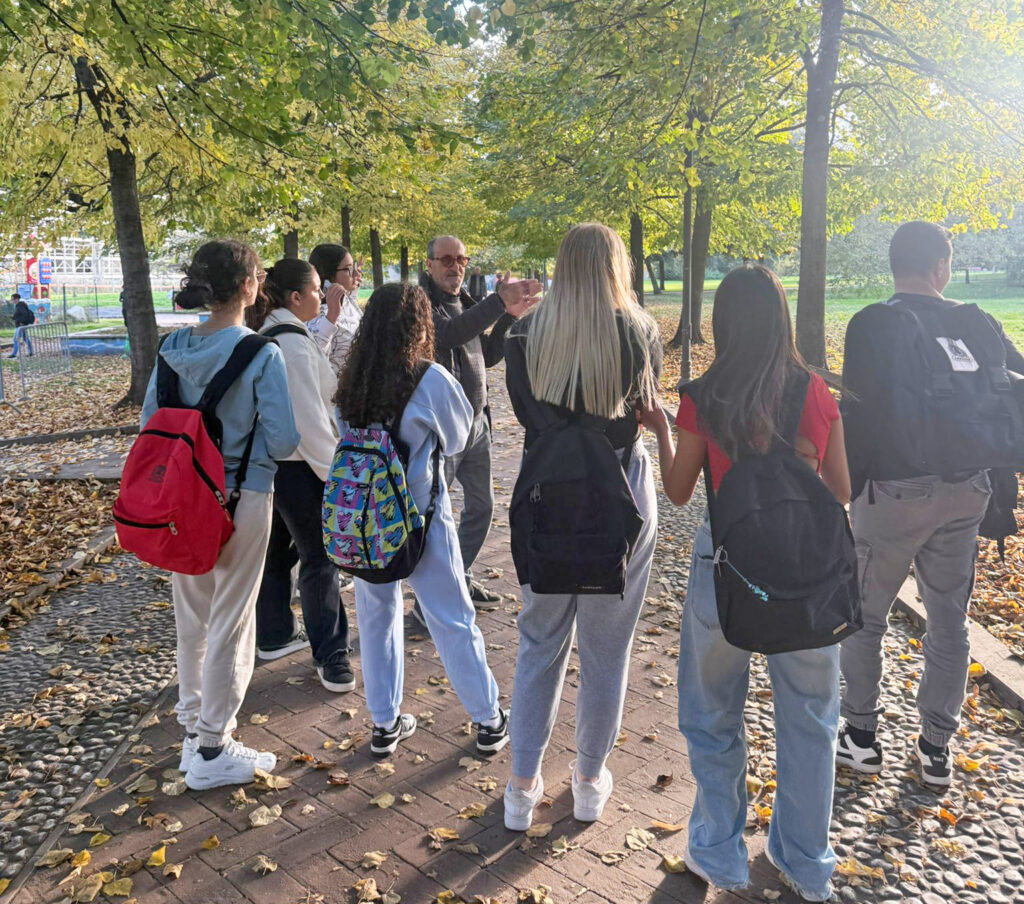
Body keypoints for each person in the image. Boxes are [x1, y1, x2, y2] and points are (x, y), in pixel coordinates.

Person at [639, 265, 850, 901]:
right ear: (783, 318)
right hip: (804, 571)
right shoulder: (814, 392)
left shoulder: (704, 394)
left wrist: (660, 431)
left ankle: (718, 850)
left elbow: (678, 492)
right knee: (810, 717)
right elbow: (839, 490)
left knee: (711, 711)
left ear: (723, 322)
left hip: (725, 565)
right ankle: (806, 861)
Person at [837, 221, 1024, 787]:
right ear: (942, 267)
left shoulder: (871, 323)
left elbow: (859, 417)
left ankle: (862, 738)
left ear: (893, 267)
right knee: (950, 621)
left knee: (865, 618)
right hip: (969, 491)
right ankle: (936, 748)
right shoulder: (979, 322)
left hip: (893, 493)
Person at [501, 223, 661, 830]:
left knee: (539, 643)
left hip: (545, 494)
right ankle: (590, 778)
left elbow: (526, 415)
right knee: (605, 649)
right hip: (619, 493)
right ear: (614, 265)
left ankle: (520, 786)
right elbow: (640, 417)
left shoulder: (523, 333)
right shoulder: (638, 331)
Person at [140, 239, 299, 789]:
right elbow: (282, 439)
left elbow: (148, 430)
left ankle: (192, 735)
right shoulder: (261, 353)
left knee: (193, 622)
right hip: (242, 500)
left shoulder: (169, 350)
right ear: (252, 287)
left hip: (178, 504)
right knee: (234, 620)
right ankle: (214, 747)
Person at [334, 282, 509, 757]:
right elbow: (456, 441)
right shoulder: (428, 378)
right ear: (420, 325)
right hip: (421, 518)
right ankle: (488, 718)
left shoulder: (350, 384)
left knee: (375, 617)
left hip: (365, 522)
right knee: (452, 618)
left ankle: (384, 722)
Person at [416, 235, 541, 616]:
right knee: (434, 513)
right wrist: (498, 302)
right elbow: (449, 336)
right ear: (429, 265)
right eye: (447, 259)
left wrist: (508, 317)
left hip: (477, 422)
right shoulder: (423, 304)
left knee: (482, 508)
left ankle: (459, 576)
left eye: (462, 259)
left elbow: (485, 354)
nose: (456, 266)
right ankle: (428, 600)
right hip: (443, 425)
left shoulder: (465, 302)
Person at [248, 259, 353, 692]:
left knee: (278, 554)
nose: (321, 294)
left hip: (274, 465)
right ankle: (331, 655)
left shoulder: (275, 334)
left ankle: (273, 634)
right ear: (295, 296)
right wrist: (337, 476)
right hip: (303, 466)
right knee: (320, 557)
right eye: (316, 288)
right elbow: (309, 419)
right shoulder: (289, 343)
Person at [305, 243, 363, 375]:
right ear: (328, 274)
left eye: (354, 267)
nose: (355, 274)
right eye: (348, 269)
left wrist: (354, 285)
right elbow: (313, 359)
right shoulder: (318, 315)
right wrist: (331, 318)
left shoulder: (343, 300)